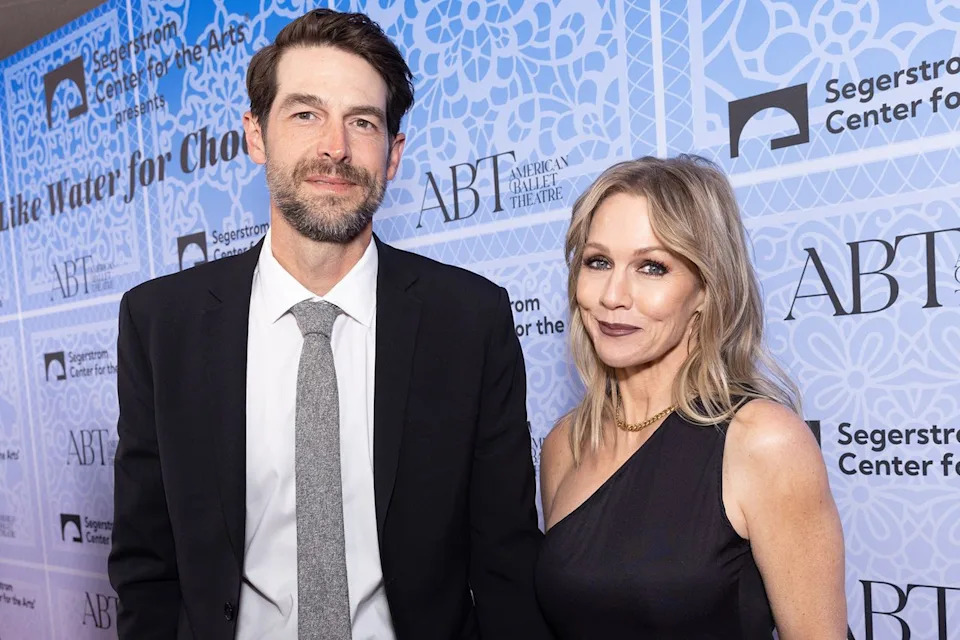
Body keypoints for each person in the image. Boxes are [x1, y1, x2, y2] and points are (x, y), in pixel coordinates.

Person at [108, 9, 549, 640]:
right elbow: (146, 563)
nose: (334, 148)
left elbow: (506, 561)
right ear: (256, 134)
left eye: (362, 122)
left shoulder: (470, 320)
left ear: (393, 154)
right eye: (305, 113)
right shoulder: (161, 324)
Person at [534, 155, 846, 638]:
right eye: (598, 262)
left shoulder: (762, 441)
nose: (614, 294)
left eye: (652, 267)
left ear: (705, 288)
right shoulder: (565, 445)